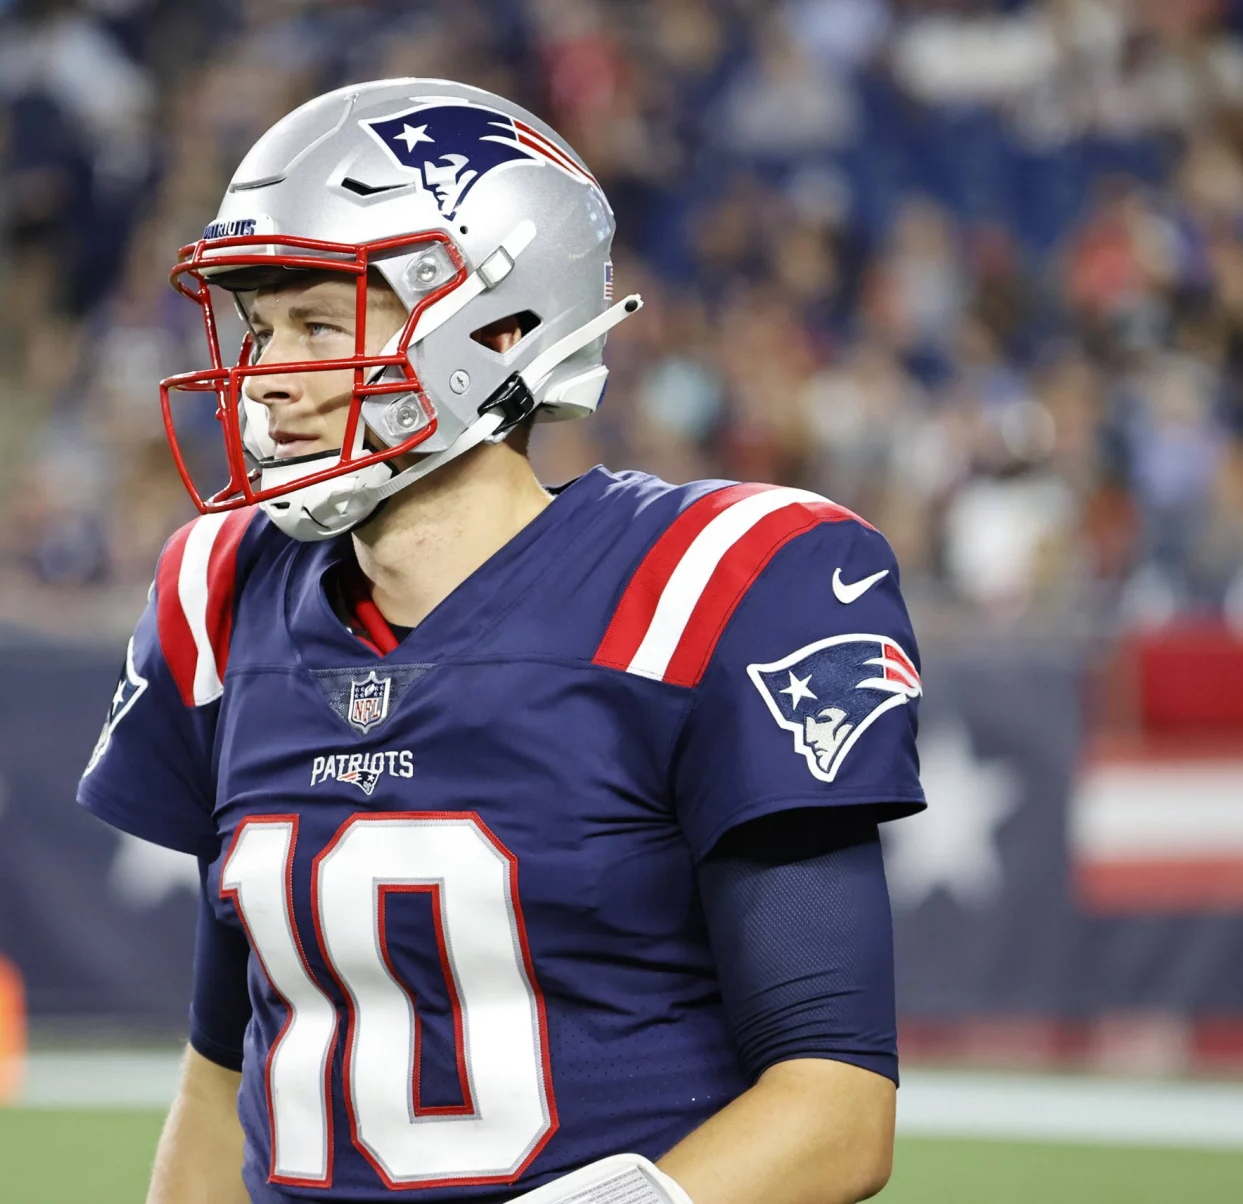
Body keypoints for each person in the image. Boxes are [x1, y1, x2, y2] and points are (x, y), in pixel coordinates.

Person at [79, 79, 924, 1204]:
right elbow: (220, 1070)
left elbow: (836, 1108)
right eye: (261, 328)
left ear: (502, 327)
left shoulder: (714, 587)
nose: (266, 381)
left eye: (320, 324)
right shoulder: (221, 595)